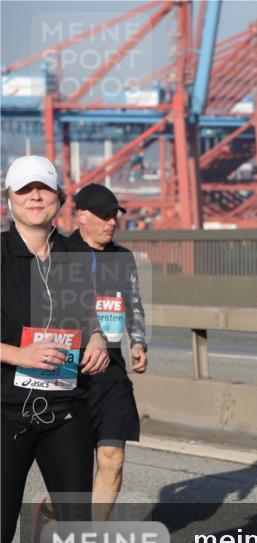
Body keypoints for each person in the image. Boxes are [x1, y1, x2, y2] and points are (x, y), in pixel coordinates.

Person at [0, 155, 110, 543]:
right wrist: (18, 354)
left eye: (44, 190)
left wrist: (97, 341)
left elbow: (89, 314)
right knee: (0, 534)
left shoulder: (72, 253)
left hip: (66, 408)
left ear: (60, 199)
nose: (35, 198)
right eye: (25, 191)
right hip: (6, 411)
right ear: (10, 201)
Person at [65, 183, 148, 521]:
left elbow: (134, 304)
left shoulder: (122, 258)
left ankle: (91, 538)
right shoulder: (61, 252)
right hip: (68, 372)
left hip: (111, 372)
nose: (111, 222)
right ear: (81, 216)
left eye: (114, 216)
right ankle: (62, 515)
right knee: (73, 470)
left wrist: (138, 341)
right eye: (103, 216)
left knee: (112, 459)